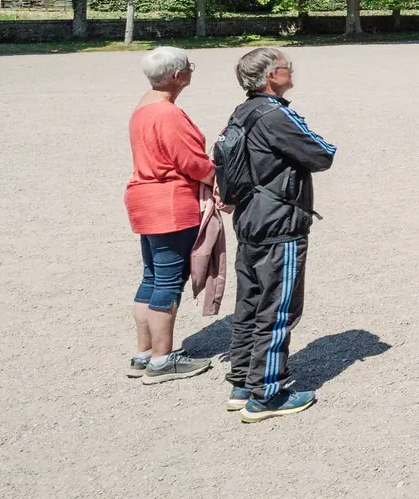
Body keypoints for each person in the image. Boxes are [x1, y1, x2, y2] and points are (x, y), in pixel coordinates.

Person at [225, 47, 338, 422]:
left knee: (250, 303)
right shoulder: (276, 114)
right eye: (288, 66)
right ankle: (267, 392)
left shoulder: (243, 111)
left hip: (250, 217)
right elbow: (321, 154)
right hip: (279, 221)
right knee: (279, 306)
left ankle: (242, 381)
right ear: (272, 75)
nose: (293, 72)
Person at [124, 47, 217, 385]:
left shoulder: (143, 107)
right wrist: (217, 180)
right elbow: (191, 161)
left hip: (143, 199)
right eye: (189, 67)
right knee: (167, 281)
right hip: (169, 202)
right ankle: (163, 361)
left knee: (151, 277)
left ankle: (144, 353)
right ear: (178, 76)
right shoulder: (167, 113)